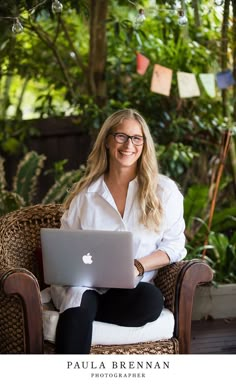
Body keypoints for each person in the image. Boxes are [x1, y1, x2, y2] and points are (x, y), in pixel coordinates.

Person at [51, 108, 187, 354]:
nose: (129, 145)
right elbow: (66, 246)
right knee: (80, 299)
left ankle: (89, 308)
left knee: (151, 300)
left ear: (144, 144)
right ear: (107, 140)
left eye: (137, 138)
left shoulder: (164, 192)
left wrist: (138, 265)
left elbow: (175, 246)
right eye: (121, 136)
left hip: (132, 291)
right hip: (87, 286)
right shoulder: (86, 195)